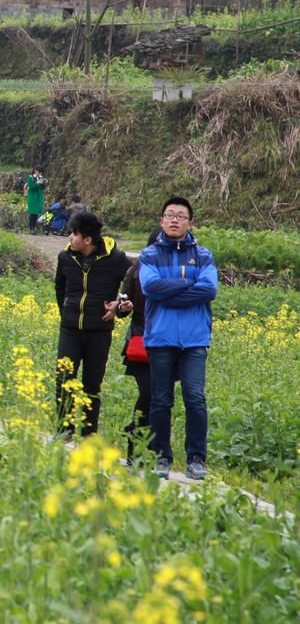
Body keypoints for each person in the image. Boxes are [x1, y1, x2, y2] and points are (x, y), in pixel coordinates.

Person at [140, 197, 218, 481]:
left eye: (180, 216)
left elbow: (209, 290)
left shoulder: (204, 255)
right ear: (161, 221)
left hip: (195, 338)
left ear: (190, 223)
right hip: (161, 337)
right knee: (161, 399)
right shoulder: (150, 255)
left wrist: (169, 292)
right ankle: (162, 457)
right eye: (169, 215)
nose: (174, 220)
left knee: (195, 398)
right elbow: (150, 286)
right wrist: (188, 284)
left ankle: (196, 458)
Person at [52, 211, 130, 437]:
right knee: (64, 379)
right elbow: (59, 287)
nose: (70, 238)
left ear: (87, 239)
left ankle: (88, 435)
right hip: (70, 330)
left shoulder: (115, 258)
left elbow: (132, 282)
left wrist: (118, 306)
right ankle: (64, 431)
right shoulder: (65, 257)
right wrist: (65, 311)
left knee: (92, 385)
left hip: (99, 332)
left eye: (74, 234)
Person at [115, 230, 162, 464]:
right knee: (149, 394)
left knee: (159, 398)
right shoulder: (135, 270)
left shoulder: (177, 271)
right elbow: (120, 310)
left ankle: (148, 448)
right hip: (141, 341)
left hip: (168, 341)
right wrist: (123, 307)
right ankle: (136, 446)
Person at [24, 167, 48, 234]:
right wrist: (37, 183)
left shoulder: (41, 177)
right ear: (35, 171)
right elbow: (31, 187)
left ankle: (33, 228)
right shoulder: (30, 178)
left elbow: (42, 188)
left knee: (36, 213)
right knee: (32, 213)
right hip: (32, 197)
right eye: (38, 172)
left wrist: (44, 183)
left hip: (39, 197)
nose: (39, 173)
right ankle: (31, 229)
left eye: (40, 172)